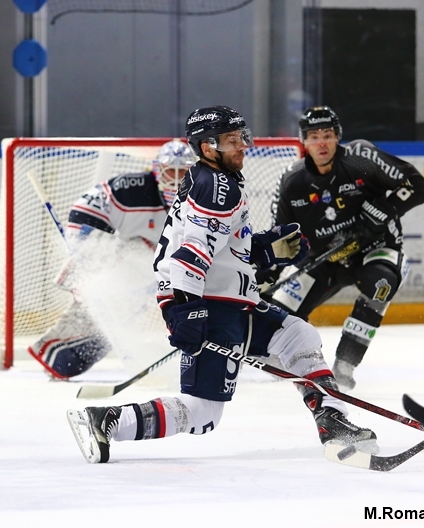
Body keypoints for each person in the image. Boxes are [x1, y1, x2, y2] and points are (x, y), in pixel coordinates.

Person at [66, 105, 380, 464]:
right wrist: (185, 310)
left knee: (298, 336)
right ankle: (106, 421)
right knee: (201, 412)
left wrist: (264, 249)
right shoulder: (216, 187)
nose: (242, 146)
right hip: (211, 305)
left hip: (229, 302)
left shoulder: (213, 180)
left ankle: (333, 423)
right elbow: (192, 253)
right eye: (231, 141)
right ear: (206, 147)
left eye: (241, 137)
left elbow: (218, 248)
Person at [263, 105, 424, 391]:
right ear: (303, 142)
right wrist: (266, 277)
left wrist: (384, 209)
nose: (321, 142)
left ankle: (345, 364)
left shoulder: (362, 159)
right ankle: (298, 364)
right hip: (324, 260)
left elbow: (416, 185)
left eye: (327, 134)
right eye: (313, 136)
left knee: (380, 284)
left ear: (338, 136)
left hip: (375, 248)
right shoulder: (292, 181)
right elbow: (283, 239)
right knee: (277, 315)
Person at [28, 139, 197, 379]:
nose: (177, 178)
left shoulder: (201, 199)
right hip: (117, 246)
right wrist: (88, 251)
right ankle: (61, 349)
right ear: (158, 170)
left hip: (149, 261)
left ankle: (62, 357)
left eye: (185, 172)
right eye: (172, 171)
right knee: (121, 272)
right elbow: (86, 207)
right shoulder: (133, 188)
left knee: (123, 309)